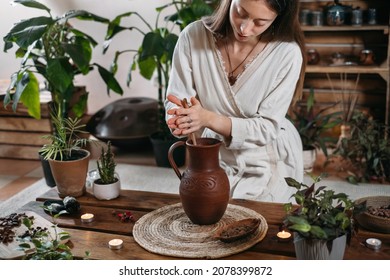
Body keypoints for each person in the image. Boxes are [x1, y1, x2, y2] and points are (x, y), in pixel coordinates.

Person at [165, 0, 306, 203]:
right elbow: (178, 100)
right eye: (240, 12)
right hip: (213, 158)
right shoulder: (193, 36)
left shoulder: (286, 53)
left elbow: (267, 128)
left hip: (265, 156)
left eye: (260, 22)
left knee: (253, 223)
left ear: (278, 17)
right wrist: (180, 119)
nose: (245, 28)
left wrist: (207, 118)